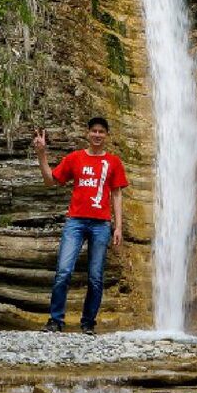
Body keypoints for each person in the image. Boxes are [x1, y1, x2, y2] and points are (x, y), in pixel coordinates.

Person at [33, 117, 128, 334]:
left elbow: (116, 194)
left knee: (95, 276)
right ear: (87, 133)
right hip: (75, 221)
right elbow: (50, 181)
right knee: (64, 271)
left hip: (101, 224)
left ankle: (88, 323)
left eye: (101, 131)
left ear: (106, 135)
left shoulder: (113, 162)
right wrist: (42, 154)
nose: (97, 135)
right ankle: (56, 320)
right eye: (93, 131)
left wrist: (118, 226)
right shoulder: (75, 158)